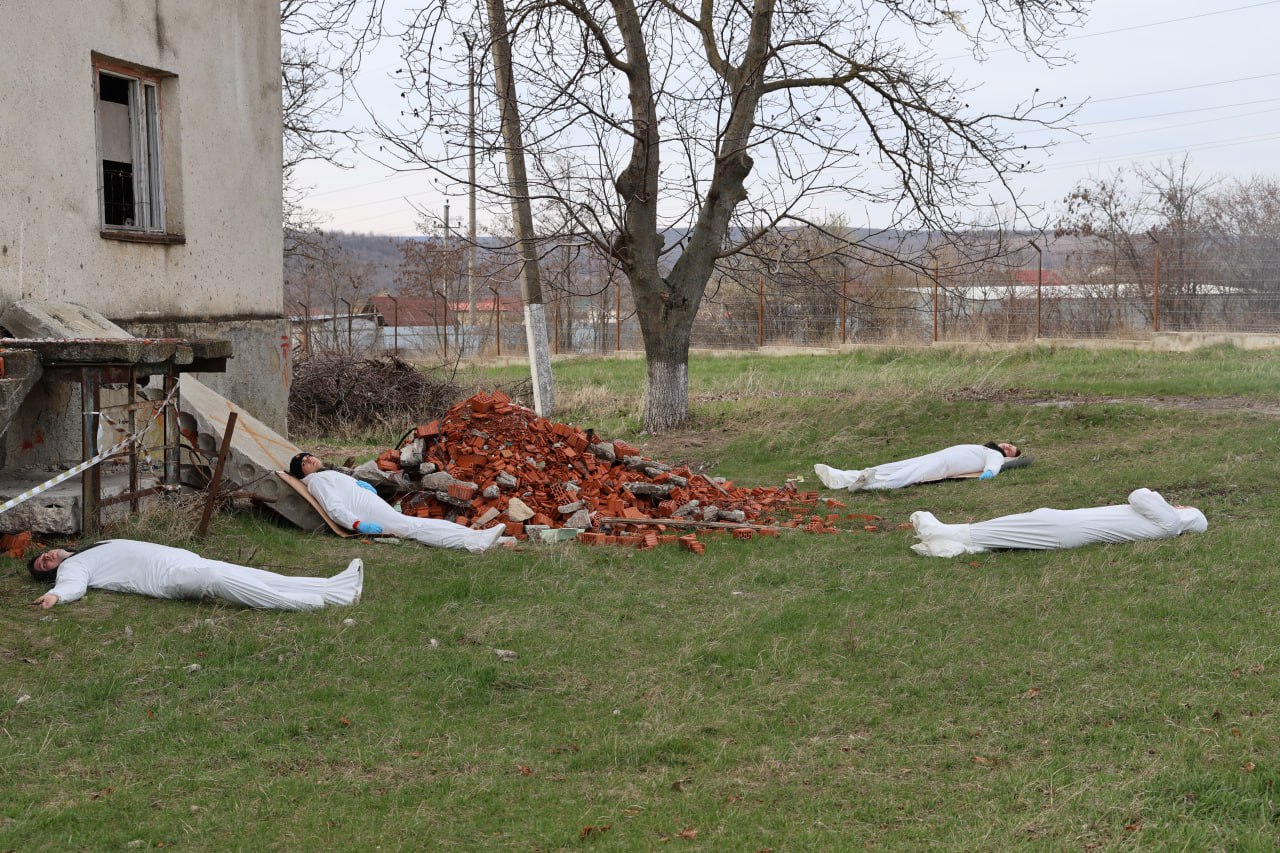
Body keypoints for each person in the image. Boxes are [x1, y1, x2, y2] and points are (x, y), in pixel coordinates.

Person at [28, 539, 362, 610]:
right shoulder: (74, 567)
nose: (46, 557)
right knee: (220, 583)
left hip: (185, 560)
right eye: (44, 565)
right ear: (53, 573)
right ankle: (299, 604)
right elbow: (74, 584)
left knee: (254, 574)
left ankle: (335, 589)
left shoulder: (87, 547)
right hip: (167, 580)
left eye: (42, 555)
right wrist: (57, 595)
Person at [290, 452, 506, 553]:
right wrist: (357, 524)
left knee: (415, 524)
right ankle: (472, 542)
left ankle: (478, 537)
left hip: (372, 506)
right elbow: (334, 507)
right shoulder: (317, 481)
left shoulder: (326, 474)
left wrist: (361, 488)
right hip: (367, 515)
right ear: (301, 473)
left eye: (308, 455)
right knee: (414, 528)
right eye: (303, 462)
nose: (308, 459)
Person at [909, 487, 1207, 558]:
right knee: (1005, 537)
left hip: (1065, 526)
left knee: (1004, 528)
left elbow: (1138, 494)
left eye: (1184, 506)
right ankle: (951, 545)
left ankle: (938, 531)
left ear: (1188, 514)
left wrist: (1167, 504)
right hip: (1069, 529)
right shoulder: (1166, 527)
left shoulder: (1170, 522)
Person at [814, 441, 1021, 491]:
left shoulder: (995, 454)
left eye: (1012, 451)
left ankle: (869, 485)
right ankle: (842, 476)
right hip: (937, 456)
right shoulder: (983, 447)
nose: (1008, 447)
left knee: (908, 475)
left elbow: (994, 465)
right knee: (894, 466)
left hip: (944, 464)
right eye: (1009, 445)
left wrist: (989, 473)